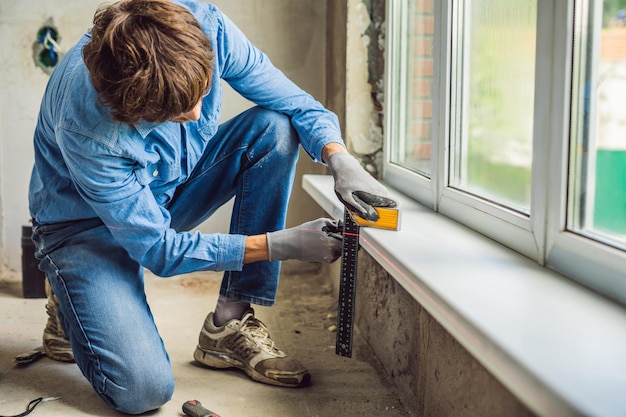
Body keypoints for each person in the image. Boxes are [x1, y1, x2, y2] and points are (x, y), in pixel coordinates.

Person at [27, 0, 396, 414]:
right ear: (131, 105)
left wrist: (338, 157)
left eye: (202, 92)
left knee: (274, 129)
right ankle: (70, 293)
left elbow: (294, 103)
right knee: (143, 392)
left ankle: (229, 324)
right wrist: (279, 246)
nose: (198, 113)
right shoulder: (90, 126)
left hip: (165, 192)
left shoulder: (201, 27)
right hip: (84, 231)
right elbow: (159, 251)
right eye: (173, 112)